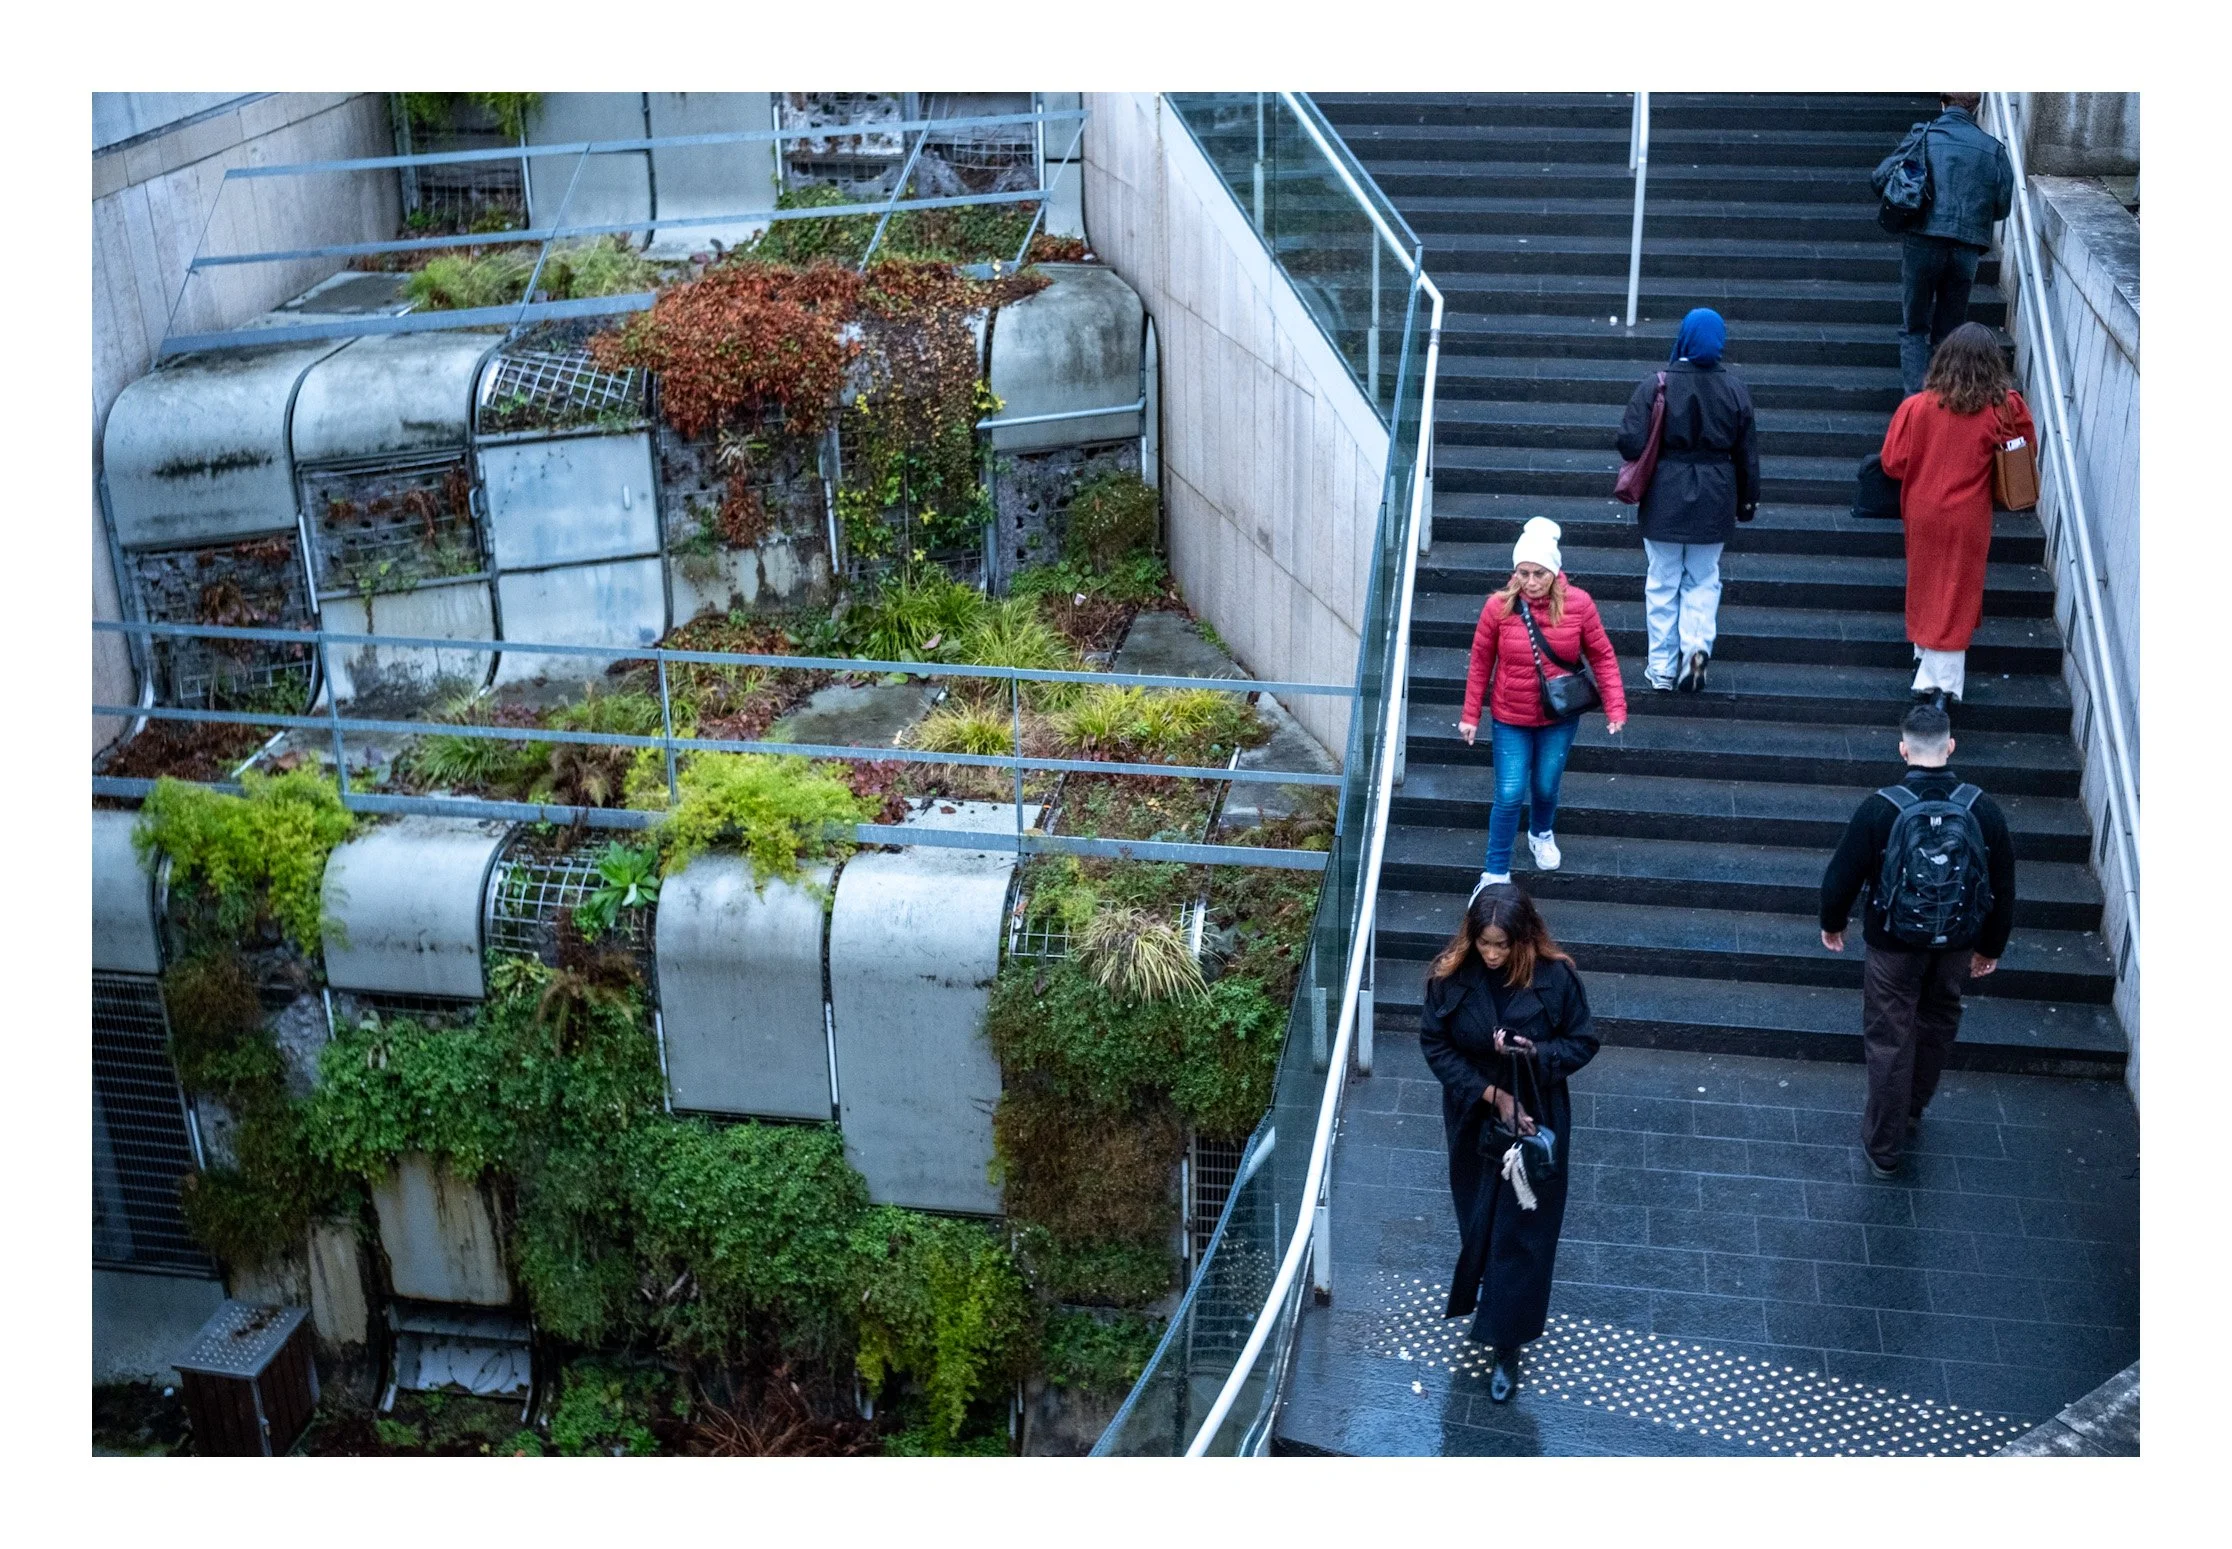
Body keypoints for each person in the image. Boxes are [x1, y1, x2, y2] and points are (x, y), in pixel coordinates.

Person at [1819, 701, 2017, 1178]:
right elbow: (2003, 883)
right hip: (1957, 941)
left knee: (1890, 1036)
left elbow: (1842, 876)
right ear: (1950, 746)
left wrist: (1834, 922)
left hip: (1893, 942)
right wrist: (1990, 947)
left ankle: (1884, 1147)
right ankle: (1911, 1111)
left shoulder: (1881, 808)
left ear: (1903, 749)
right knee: (1938, 1021)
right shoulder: (1981, 807)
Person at [1419, 884, 1600, 1402]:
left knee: (1522, 1231)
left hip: (1537, 1116)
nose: (1493, 954)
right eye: (1485, 943)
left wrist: (1535, 1052)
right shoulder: (1451, 976)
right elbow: (1434, 1042)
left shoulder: (1557, 977)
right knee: (1480, 1216)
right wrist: (1489, 1092)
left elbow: (1584, 1041)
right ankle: (1490, 1302)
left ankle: (1506, 1343)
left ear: (1522, 938)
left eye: (1502, 944)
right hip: (1476, 1118)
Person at [1458, 517, 1627, 891]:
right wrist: (1471, 714)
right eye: (1523, 573)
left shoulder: (1579, 605)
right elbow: (1481, 660)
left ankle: (1541, 832)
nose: (1531, 583)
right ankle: (1495, 871)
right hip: (1510, 716)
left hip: (1558, 715)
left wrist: (1615, 705)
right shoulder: (1498, 607)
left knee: (1547, 786)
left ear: (1554, 571)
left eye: (1539, 573)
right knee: (1508, 792)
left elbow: (1601, 654)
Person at [1879, 322, 2035, 709]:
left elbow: (1893, 462)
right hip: (1969, 514)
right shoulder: (2004, 407)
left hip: (1922, 510)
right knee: (1957, 592)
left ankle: (1923, 658)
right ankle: (1941, 685)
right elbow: (2023, 451)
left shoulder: (1916, 407)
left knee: (1927, 584)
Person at [1615, 306, 1761, 693]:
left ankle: (1662, 667)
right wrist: (1747, 501)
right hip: (1715, 495)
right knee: (1703, 577)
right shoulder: (1735, 389)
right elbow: (1747, 453)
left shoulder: (1657, 384)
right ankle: (1696, 649)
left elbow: (1628, 441)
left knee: (1662, 580)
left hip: (1664, 492)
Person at [1872, 93, 2015, 396]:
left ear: (1942, 102)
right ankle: (1945, 402)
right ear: (1976, 107)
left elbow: (1880, 177)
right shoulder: (1993, 149)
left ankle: (1917, 403)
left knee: (1914, 328)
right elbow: (2002, 207)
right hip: (1965, 249)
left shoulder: (1923, 135)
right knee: (1949, 332)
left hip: (1922, 240)